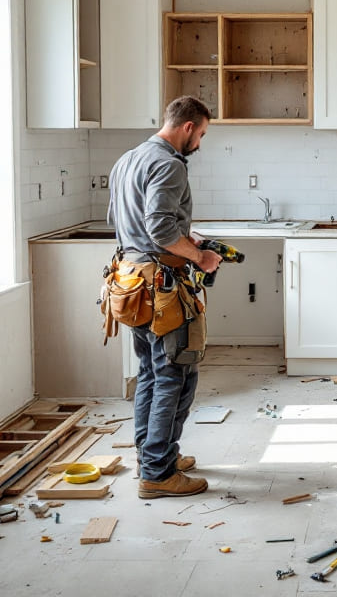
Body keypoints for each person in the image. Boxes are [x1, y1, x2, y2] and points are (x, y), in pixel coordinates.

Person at [107, 95, 222, 499]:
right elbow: (158, 228)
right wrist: (200, 256)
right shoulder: (169, 163)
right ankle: (157, 474)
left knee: (152, 375)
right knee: (175, 374)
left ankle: (155, 456)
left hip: (132, 283)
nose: (200, 144)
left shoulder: (129, 159)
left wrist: (182, 237)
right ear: (188, 126)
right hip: (160, 289)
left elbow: (125, 223)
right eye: (202, 134)